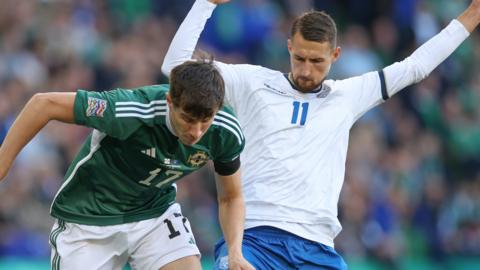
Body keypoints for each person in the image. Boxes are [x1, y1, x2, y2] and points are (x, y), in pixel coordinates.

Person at [161, 0, 480, 269]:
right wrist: (206, 3)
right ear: (288, 47)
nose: (305, 70)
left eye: (317, 61)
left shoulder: (349, 94)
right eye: (299, 58)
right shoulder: (251, 82)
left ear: (336, 56)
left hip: (317, 249)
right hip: (254, 240)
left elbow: (415, 67)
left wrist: (470, 17)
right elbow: (176, 68)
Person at [0, 59, 255, 270]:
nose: (196, 132)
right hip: (89, 217)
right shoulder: (129, 110)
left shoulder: (225, 132)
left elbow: (231, 197)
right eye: (187, 119)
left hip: (153, 214)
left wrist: (235, 251)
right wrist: (3, 162)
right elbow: (44, 104)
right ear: (169, 101)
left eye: (205, 120)